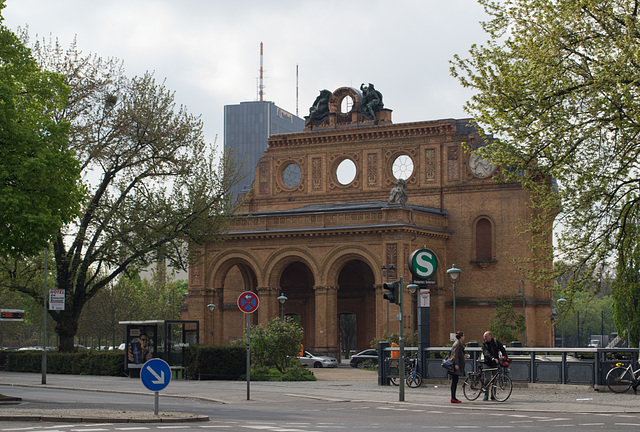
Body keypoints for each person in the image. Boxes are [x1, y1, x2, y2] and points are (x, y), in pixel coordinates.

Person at [481, 330, 508, 400]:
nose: (484, 338)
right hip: (487, 362)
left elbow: (502, 349)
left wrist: (505, 357)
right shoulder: (484, 344)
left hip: (495, 363)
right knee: (487, 379)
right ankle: (486, 395)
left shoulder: (496, 342)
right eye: (484, 337)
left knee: (495, 380)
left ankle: (493, 395)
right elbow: (486, 353)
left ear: (490, 336)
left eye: (486, 336)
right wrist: (492, 358)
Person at [449, 331, 466, 403]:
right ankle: (453, 398)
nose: (464, 337)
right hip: (455, 365)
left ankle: (453, 397)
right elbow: (455, 354)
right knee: (454, 381)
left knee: (455, 381)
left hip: (456, 364)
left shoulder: (457, 343)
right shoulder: (458, 344)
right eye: (463, 336)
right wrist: (456, 364)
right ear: (461, 337)